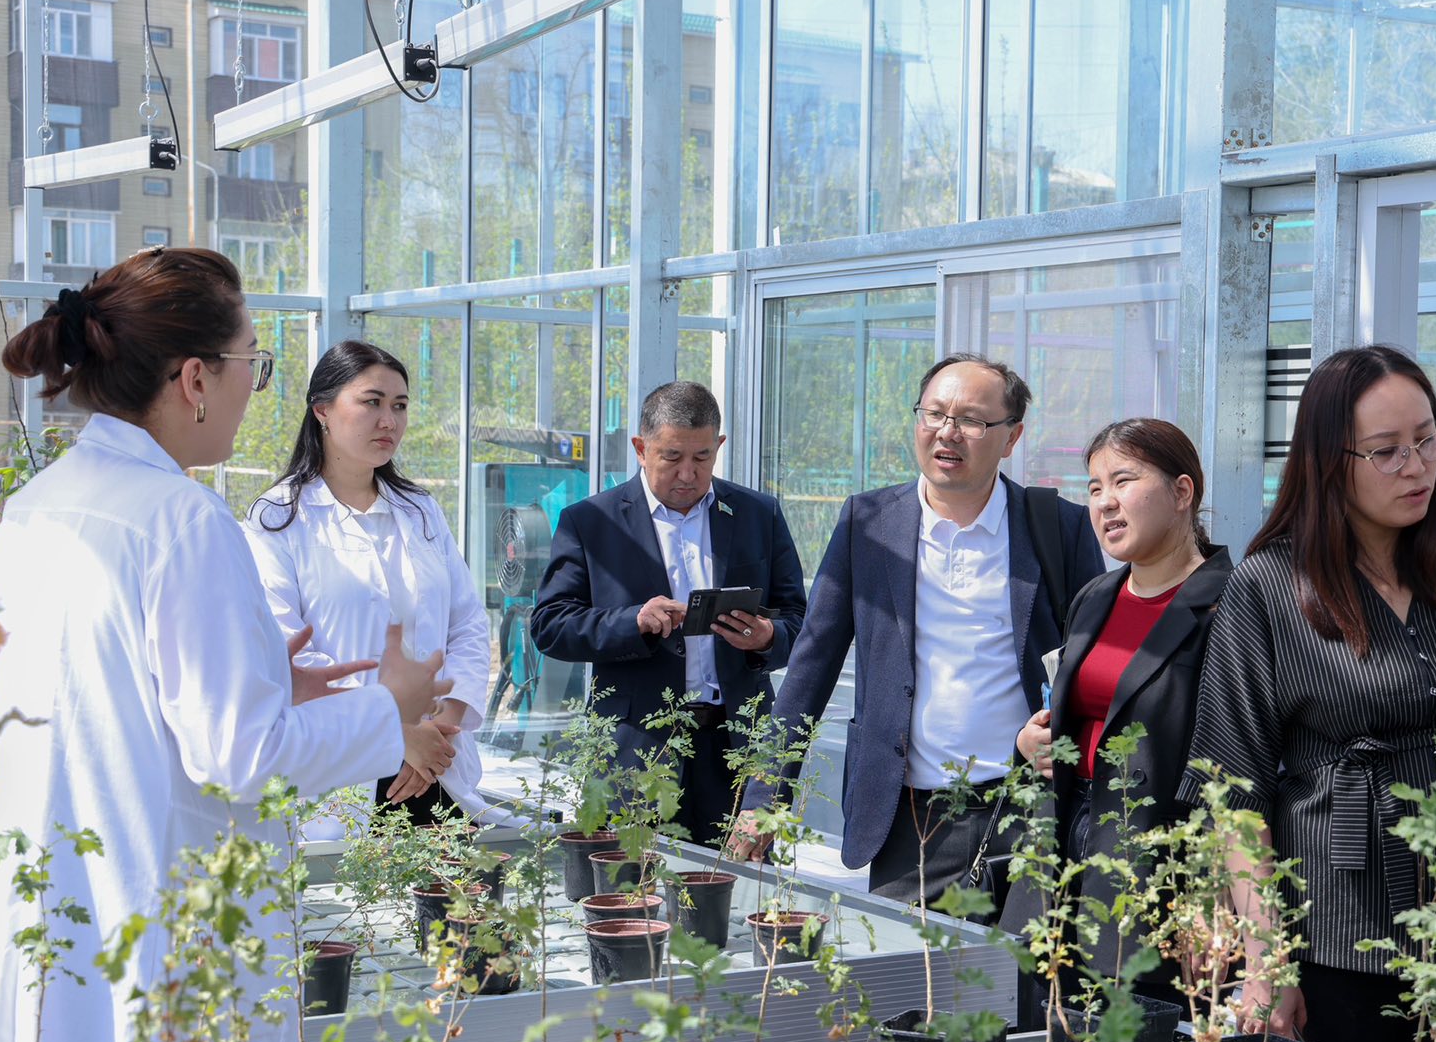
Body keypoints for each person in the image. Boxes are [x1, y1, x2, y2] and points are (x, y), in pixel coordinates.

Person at [0, 249, 450, 1042]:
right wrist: (390, 707)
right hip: (153, 893)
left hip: (54, 881)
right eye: (254, 362)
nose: (257, 387)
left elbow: (105, 688)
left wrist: (261, 676)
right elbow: (240, 756)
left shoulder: (40, 505)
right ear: (196, 379)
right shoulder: (183, 519)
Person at [1189, 345, 1436, 1042]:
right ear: (1329, 462)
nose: (1417, 468)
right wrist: (1266, 961)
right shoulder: (1270, 586)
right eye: (1386, 451)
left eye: (1428, 440)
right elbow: (1233, 789)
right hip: (1335, 931)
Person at [743, 353, 1105, 905]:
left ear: (1012, 437)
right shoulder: (869, 523)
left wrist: (1066, 736)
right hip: (905, 815)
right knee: (902, 959)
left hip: (1025, 809)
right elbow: (812, 664)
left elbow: (1092, 664)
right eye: (934, 413)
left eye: (972, 420)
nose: (947, 432)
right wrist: (764, 796)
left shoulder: (1058, 526)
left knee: (1021, 962)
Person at [529, 381, 807, 846]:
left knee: (737, 885)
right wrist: (632, 622)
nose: (688, 473)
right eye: (672, 457)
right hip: (636, 749)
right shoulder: (591, 522)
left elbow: (801, 621)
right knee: (633, 884)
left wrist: (766, 637)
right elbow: (550, 625)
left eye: (702, 457)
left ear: (719, 446)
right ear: (641, 449)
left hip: (738, 749)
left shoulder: (758, 514)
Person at [1014, 418, 1230, 999]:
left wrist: (1214, 895)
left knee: (1134, 1039)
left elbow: (1237, 762)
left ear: (1182, 492)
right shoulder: (1095, 597)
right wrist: (1035, 742)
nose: (1105, 502)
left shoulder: (1229, 605)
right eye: (1094, 487)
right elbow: (1084, 713)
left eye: (1123, 481)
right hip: (1061, 855)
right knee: (1049, 1034)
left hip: (1158, 868)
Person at [243, 340, 491, 827]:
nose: (389, 421)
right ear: (322, 410)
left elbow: (467, 625)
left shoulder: (420, 511)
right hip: (340, 773)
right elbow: (287, 648)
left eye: (399, 406)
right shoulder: (277, 518)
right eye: (372, 402)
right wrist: (396, 733)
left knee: (451, 873)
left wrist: (444, 726)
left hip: (438, 763)